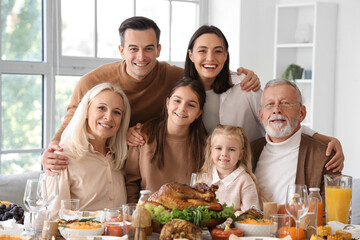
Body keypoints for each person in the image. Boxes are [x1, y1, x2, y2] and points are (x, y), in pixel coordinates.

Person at [42, 16, 260, 172]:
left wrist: (243, 77)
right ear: (122, 51)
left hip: (152, 159)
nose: (141, 56)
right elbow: (70, 121)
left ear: (158, 49)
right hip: (102, 159)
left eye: (148, 48)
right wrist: (51, 150)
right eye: (133, 48)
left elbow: (205, 72)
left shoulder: (174, 77)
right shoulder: (93, 81)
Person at [183, 25, 344, 172]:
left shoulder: (245, 86)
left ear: (226, 56)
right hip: (208, 172)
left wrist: (328, 139)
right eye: (202, 51)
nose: (210, 58)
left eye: (218, 51)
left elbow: (278, 117)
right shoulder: (183, 93)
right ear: (191, 55)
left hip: (250, 172)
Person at [49, 83, 131, 218]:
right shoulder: (62, 159)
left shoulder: (120, 158)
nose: (108, 117)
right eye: (101, 108)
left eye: (116, 112)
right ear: (86, 111)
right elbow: (54, 217)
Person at [124, 77, 207, 203]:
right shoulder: (143, 135)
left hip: (186, 218)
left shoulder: (204, 145)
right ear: (167, 103)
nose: (182, 108)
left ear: (198, 113)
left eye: (191, 105)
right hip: (147, 214)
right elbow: (131, 182)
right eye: (177, 101)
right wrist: (136, 215)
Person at [251, 79, 333, 205]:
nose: (276, 110)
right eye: (270, 104)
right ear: (261, 116)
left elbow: (329, 216)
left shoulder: (324, 156)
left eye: (285, 103)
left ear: (301, 113)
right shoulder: (249, 151)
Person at [201, 124, 260, 214]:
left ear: (240, 154)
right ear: (211, 151)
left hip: (235, 227)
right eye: (219, 148)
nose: (224, 153)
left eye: (231, 149)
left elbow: (252, 215)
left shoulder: (244, 181)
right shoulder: (204, 177)